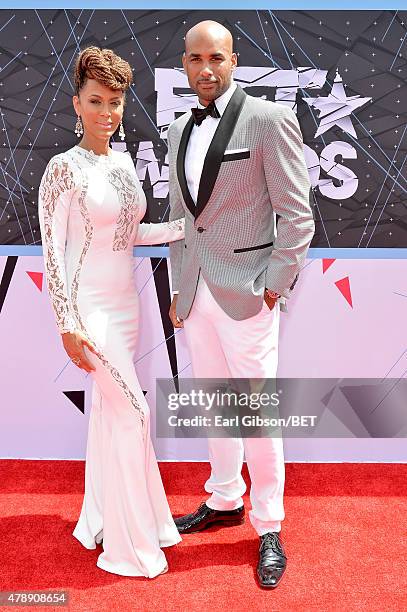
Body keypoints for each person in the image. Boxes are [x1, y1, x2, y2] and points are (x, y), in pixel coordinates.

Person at [168, 21, 315, 588]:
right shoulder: (179, 127)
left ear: (234, 60)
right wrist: (181, 291)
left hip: (248, 292)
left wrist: (273, 285)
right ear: (184, 63)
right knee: (213, 404)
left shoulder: (269, 119)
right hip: (197, 291)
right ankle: (225, 497)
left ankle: (270, 524)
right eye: (195, 59)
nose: (206, 69)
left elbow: (296, 213)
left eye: (217, 58)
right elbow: (186, 219)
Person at [38, 46, 184, 578]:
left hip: (127, 306)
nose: (106, 112)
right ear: (77, 103)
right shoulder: (61, 169)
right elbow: (52, 249)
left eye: (115, 102)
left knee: (110, 416)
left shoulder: (122, 162)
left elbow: (128, 237)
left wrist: (182, 230)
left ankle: (100, 518)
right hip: (89, 311)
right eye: (95, 101)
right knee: (135, 414)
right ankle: (128, 544)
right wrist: (66, 323)